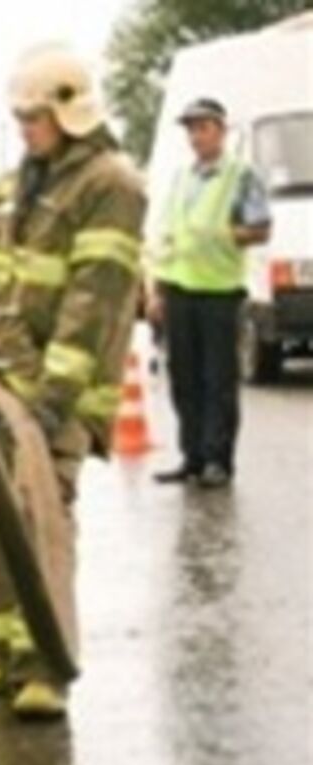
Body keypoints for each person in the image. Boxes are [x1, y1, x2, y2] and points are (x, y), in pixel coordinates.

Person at [0, 45, 146, 719]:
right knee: (0, 515)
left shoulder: (111, 185)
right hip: (1, 384)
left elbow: (95, 300)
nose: (23, 128)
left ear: (69, 112)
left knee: (43, 517)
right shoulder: (18, 183)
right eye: (18, 116)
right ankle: (1, 653)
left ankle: (46, 663)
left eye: (33, 117)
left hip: (59, 391)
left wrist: (50, 397)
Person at [149, 97, 272, 490]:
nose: (195, 136)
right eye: (190, 129)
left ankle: (218, 460)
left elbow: (261, 228)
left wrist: (222, 234)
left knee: (217, 380)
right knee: (183, 377)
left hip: (220, 291)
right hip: (180, 288)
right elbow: (166, 235)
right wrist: (156, 290)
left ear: (221, 130)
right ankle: (192, 457)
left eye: (202, 127)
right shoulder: (182, 177)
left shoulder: (241, 175)